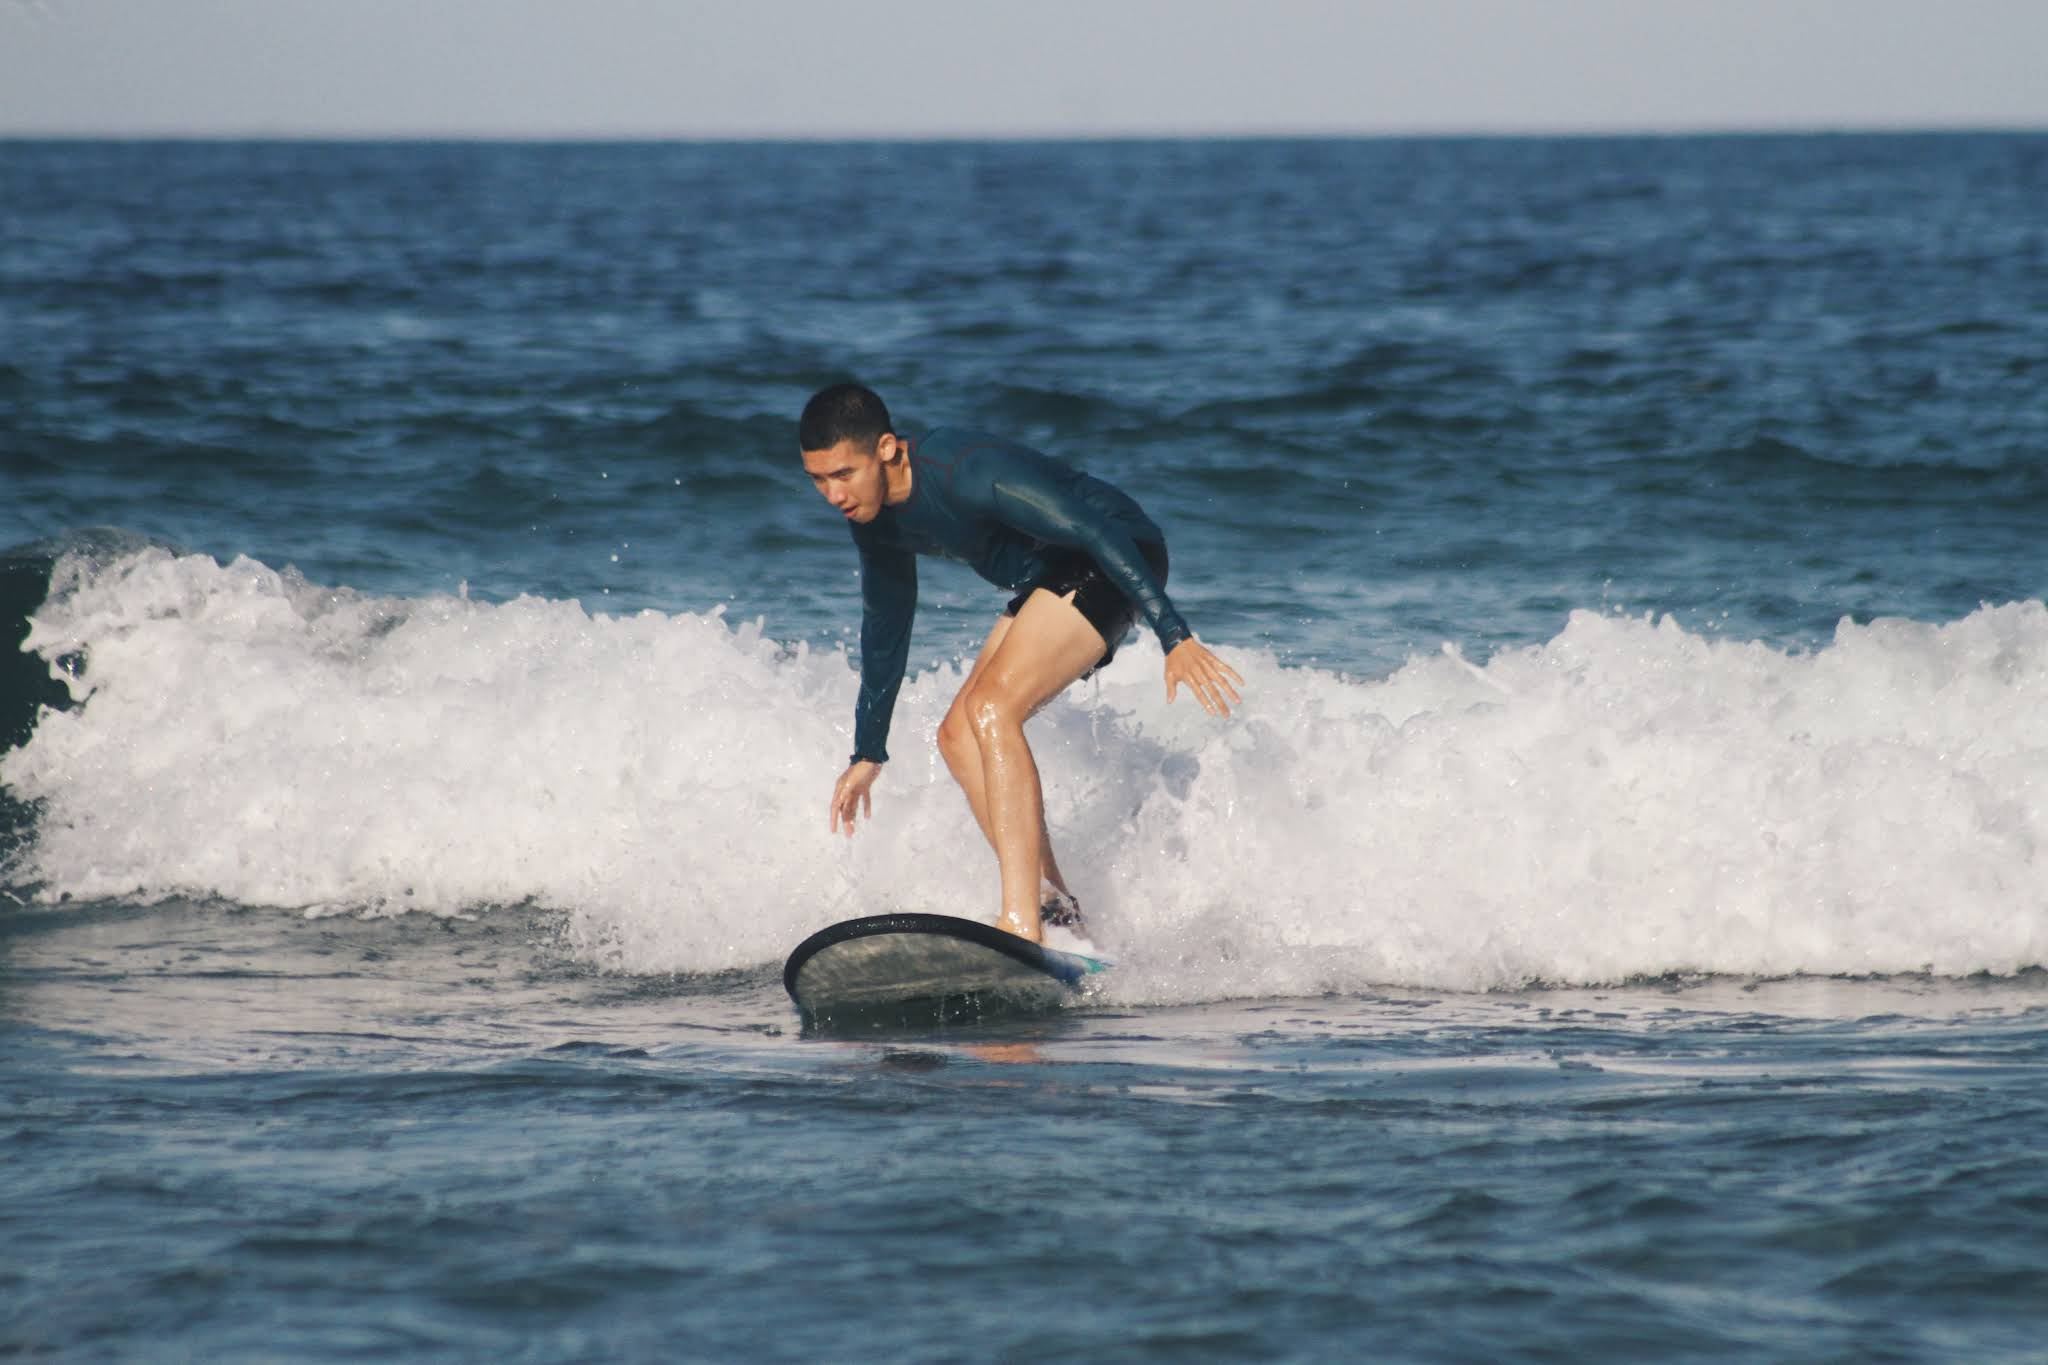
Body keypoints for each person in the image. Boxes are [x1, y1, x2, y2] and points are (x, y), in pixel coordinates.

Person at [799, 382, 1243, 944]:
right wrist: (868, 751)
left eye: (843, 474)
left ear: (886, 448)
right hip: (1052, 578)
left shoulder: (964, 470)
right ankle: (1058, 911)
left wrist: (1174, 635)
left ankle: (1022, 920)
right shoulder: (873, 520)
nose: (833, 494)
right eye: (819, 480)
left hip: (1114, 555)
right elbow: (886, 622)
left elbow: (1093, 529)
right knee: (957, 735)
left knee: (992, 709)